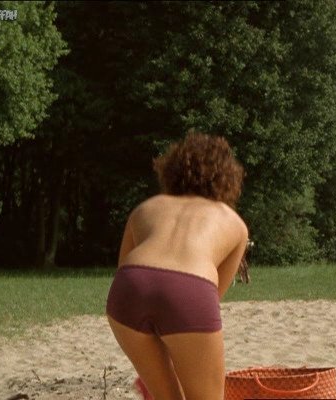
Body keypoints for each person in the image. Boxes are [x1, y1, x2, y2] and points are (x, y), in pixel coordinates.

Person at [106, 132, 248, 400]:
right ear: (227, 179)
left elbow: (124, 267)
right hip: (189, 292)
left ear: (170, 171)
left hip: (128, 291)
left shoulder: (146, 208)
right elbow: (210, 295)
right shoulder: (234, 223)